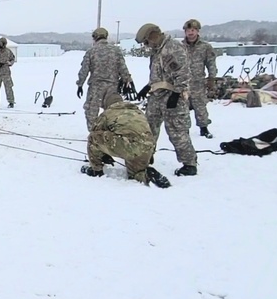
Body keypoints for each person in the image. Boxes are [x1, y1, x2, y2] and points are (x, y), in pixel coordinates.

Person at [134, 23, 198, 176]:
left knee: (177, 131)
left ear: (153, 36)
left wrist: (177, 94)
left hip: (173, 97)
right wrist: (147, 87)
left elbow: (183, 73)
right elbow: (159, 74)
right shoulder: (157, 51)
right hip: (157, 97)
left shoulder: (173, 48)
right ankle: (146, 157)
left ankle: (189, 163)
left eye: (146, 42)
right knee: (148, 129)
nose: (146, 45)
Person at [81, 93, 169, 188]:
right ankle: (146, 174)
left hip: (128, 146)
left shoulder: (107, 113)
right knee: (135, 174)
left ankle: (96, 170)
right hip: (147, 147)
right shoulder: (138, 112)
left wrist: (102, 155)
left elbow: (96, 133)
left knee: (93, 137)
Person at [76, 27, 133, 130]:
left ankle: (94, 132)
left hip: (96, 87)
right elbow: (123, 68)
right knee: (112, 110)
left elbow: (84, 70)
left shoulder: (91, 51)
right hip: (112, 87)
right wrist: (127, 81)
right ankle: (111, 131)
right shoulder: (116, 51)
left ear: (95, 38)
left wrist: (80, 84)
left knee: (91, 111)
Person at [182, 19, 218, 138]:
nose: (190, 33)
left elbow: (211, 63)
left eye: (193, 30)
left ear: (197, 31)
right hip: (182, 83)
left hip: (198, 83)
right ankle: (183, 130)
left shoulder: (205, 47)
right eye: (188, 30)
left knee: (200, 107)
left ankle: (204, 128)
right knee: (182, 108)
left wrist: (211, 78)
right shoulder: (180, 46)